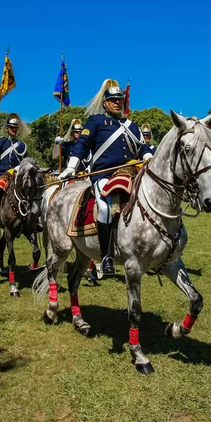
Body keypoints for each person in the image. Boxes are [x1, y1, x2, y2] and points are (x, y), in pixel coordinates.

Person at [58, 79, 153, 276]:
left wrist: (149, 158)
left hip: (130, 173)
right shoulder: (96, 121)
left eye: (120, 99)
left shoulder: (132, 126)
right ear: (105, 103)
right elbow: (82, 144)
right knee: (104, 207)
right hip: (104, 175)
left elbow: (143, 148)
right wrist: (72, 166)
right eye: (113, 100)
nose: (118, 103)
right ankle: (106, 255)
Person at [0, 113, 30, 236]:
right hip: (2, 176)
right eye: (11, 127)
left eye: (15, 127)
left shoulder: (22, 145)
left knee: (31, 193)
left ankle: (32, 222)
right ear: (7, 128)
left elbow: (27, 161)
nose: (13, 129)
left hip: (17, 176)